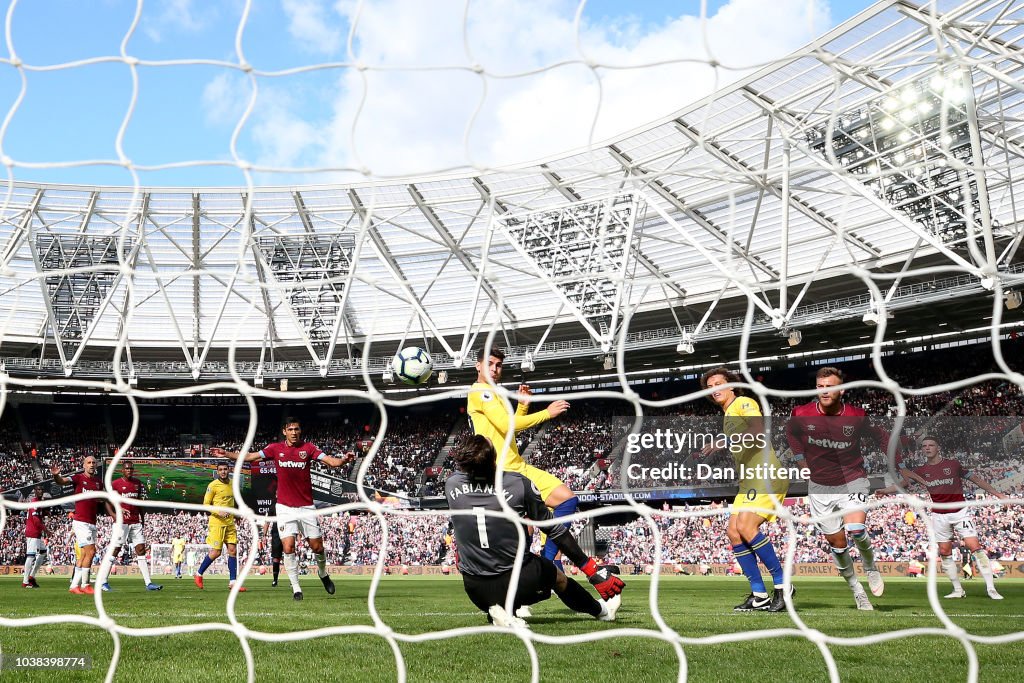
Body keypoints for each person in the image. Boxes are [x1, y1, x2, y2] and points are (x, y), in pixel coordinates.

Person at [445, 434, 623, 626]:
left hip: (475, 589)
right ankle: (602, 611)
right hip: (519, 581)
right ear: (494, 457)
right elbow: (554, 529)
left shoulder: (451, 484)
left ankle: (502, 611)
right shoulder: (517, 483)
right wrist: (590, 568)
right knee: (558, 578)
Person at [212, 417, 354, 601]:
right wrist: (226, 454)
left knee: (317, 547)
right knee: (288, 546)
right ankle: (296, 589)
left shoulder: (308, 449)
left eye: (297, 429)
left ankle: (322, 573)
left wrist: (343, 460)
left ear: (300, 431)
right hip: (285, 507)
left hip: (306, 507)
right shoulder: (275, 449)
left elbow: (330, 461)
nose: (294, 432)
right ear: (285, 432)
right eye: (291, 429)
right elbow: (249, 457)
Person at [785, 366, 888, 610]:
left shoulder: (857, 415)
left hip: (853, 479)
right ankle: (856, 589)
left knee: (856, 528)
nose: (824, 391)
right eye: (820, 387)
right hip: (820, 487)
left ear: (841, 390)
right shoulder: (801, 413)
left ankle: (871, 568)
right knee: (838, 544)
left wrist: (898, 462)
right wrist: (800, 459)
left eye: (829, 387)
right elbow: (791, 433)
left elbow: (880, 436)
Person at [467, 347, 573, 569]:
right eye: (490, 364)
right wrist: (547, 413)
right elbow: (507, 425)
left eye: (498, 365)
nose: (495, 369)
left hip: (519, 465)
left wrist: (523, 407)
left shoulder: (494, 393)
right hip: (502, 470)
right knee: (525, 529)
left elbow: (508, 431)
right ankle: (521, 575)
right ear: (478, 365)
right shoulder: (480, 392)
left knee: (566, 499)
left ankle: (549, 558)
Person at [700, 367, 791, 612]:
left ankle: (783, 585)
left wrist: (724, 442)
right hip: (749, 479)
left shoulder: (743, 402)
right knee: (733, 531)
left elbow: (758, 431)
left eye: (719, 383)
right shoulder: (728, 413)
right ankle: (759, 595)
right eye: (710, 387)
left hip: (766, 474)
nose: (714, 389)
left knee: (746, 526)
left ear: (730, 385)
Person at [876, 435, 1007, 600]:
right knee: (945, 551)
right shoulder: (921, 471)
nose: (927, 448)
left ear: (938, 448)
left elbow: (976, 480)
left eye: (931, 445)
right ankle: (958, 589)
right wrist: (885, 491)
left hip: (960, 512)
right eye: (924, 446)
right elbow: (903, 484)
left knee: (975, 547)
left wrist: (998, 494)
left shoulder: (953, 465)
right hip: (939, 514)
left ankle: (991, 589)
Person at [52, 455, 114, 595]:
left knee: (85, 555)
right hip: (81, 522)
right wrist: (56, 476)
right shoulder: (79, 478)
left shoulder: (98, 483)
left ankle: (74, 586)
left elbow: (99, 500)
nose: (91, 464)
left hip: (92, 522)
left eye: (93, 462)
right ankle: (86, 584)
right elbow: (62, 481)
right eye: (89, 462)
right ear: (84, 465)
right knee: (91, 552)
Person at [97, 461, 163, 592]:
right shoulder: (115, 484)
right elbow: (107, 501)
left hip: (135, 522)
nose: (129, 471)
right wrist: (113, 515)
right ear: (122, 470)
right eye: (127, 469)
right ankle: (103, 581)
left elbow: (138, 503)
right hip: (122, 523)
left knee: (141, 550)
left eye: (131, 469)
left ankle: (148, 583)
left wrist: (142, 518)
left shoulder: (137, 483)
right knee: (115, 550)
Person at [193, 462, 247, 592]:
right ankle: (199, 574)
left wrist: (237, 515)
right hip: (217, 523)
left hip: (230, 522)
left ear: (229, 470)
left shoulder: (233, 484)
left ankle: (233, 582)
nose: (223, 472)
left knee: (233, 550)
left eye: (225, 469)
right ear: (217, 472)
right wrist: (218, 511)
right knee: (216, 552)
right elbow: (205, 505)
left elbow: (232, 501)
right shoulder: (212, 486)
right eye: (221, 470)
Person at [22, 485, 48, 588]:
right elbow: (36, 521)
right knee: (31, 556)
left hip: (37, 533)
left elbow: (38, 516)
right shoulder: (34, 502)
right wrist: (47, 530)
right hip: (32, 532)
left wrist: (45, 512)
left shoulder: (39, 503)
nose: (40, 491)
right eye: (38, 489)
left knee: (43, 552)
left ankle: (31, 577)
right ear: (35, 491)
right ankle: (25, 582)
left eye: (42, 489)